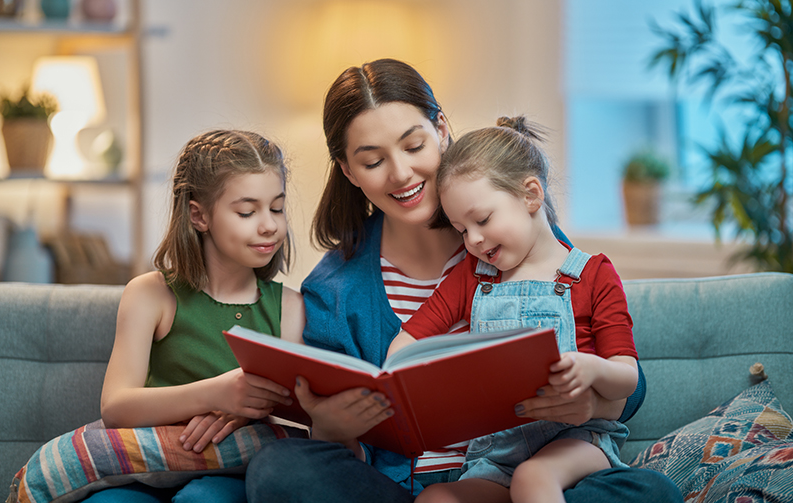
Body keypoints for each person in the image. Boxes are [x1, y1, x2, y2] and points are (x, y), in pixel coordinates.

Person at [245, 59, 681, 503]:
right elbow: (335, 451)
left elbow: (628, 378)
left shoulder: (510, 231)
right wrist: (332, 427)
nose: (400, 174)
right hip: (408, 491)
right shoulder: (335, 290)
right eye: (373, 161)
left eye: (413, 145)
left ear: (442, 130)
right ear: (349, 171)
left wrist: (590, 405)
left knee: (651, 491)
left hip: (535, 477)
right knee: (279, 469)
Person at [387, 116, 638, 503]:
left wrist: (590, 368)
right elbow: (409, 340)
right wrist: (403, 378)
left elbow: (628, 377)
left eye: (483, 219)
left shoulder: (593, 274)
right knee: (435, 498)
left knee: (533, 479)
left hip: (575, 441)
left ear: (531, 195)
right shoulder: (473, 277)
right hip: (496, 456)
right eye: (461, 229)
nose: (473, 239)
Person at [82, 130, 306, 503]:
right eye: (247, 212)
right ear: (198, 215)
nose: (269, 224)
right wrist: (217, 394)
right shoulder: (151, 294)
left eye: (277, 208)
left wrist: (241, 410)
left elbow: (294, 415)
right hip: (144, 469)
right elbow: (116, 407)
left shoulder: (289, 308)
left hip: (231, 471)